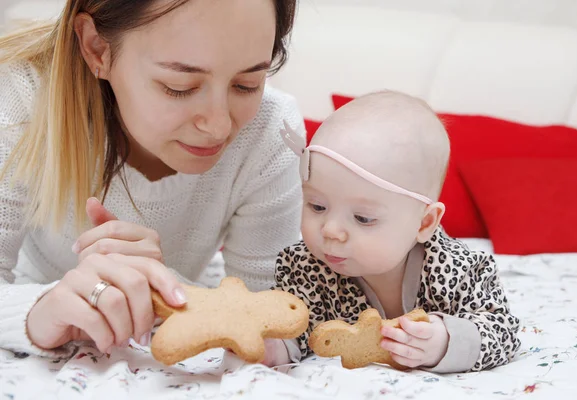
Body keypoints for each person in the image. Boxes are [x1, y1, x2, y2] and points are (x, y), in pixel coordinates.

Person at [0, 0, 303, 359]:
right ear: (97, 48)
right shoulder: (20, 100)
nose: (220, 126)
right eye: (179, 86)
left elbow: (278, 318)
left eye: (247, 84)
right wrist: (39, 311)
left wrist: (166, 288)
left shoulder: (271, 129)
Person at [263, 91, 521, 372]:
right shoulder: (303, 267)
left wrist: (445, 343)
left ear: (424, 223)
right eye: (317, 206)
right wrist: (273, 346)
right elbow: (295, 324)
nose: (331, 230)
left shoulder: (459, 269)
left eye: (362, 218)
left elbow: (503, 332)